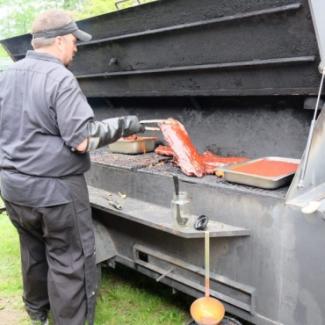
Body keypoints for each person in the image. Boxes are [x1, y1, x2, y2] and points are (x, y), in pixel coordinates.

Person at [0, 9, 144, 325]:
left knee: (33, 251)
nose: (77, 47)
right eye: (75, 41)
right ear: (62, 40)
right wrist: (123, 124)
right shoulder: (60, 78)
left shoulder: (6, 75)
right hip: (55, 192)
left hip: (13, 187)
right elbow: (82, 139)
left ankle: (36, 311)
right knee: (71, 261)